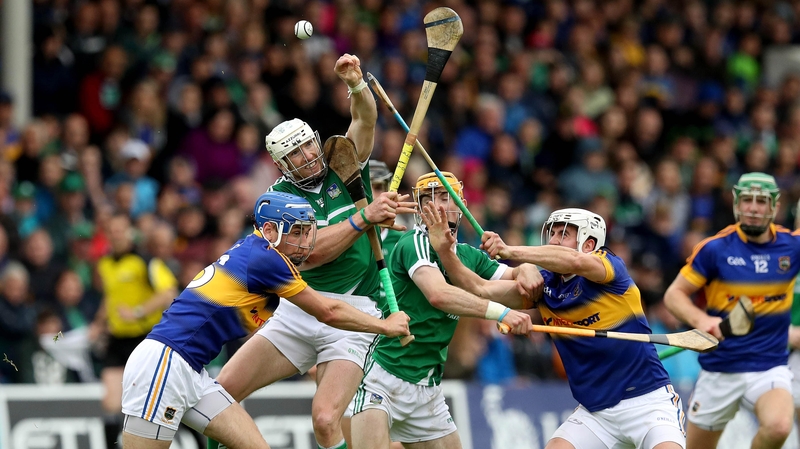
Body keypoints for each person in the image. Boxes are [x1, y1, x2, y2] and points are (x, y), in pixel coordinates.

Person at [213, 53, 417, 449]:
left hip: (356, 310)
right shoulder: (276, 202)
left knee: (326, 420)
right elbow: (312, 253)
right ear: (280, 164)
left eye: (308, 147)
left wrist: (356, 84)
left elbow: (364, 121)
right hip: (300, 307)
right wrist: (365, 218)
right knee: (219, 395)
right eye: (296, 155)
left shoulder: (341, 165)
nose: (308, 158)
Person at [120, 192, 410, 449]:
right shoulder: (268, 259)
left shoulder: (258, 251)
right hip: (164, 364)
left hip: (193, 372)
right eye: (296, 232)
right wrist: (385, 325)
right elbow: (328, 311)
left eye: (307, 232)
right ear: (269, 230)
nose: (305, 242)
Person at [350, 171, 539, 449]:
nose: (435, 205)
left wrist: (527, 267)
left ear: (460, 203)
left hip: (427, 387)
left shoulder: (469, 256)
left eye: (443, 196)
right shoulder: (414, 242)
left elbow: (517, 283)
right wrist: (500, 312)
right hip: (383, 378)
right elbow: (438, 294)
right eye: (427, 198)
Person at [477, 208, 685, 449]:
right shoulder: (544, 287)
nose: (553, 240)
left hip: (649, 404)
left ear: (589, 244)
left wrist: (512, 251)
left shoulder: (609, 267)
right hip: (596, 414)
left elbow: (575, 261)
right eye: (552, 233)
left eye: (563, 234)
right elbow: (482, 290)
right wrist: (447, 255)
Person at [664, 172, 800, 449]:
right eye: (746, 200)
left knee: (779, 427)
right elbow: (673, 295)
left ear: (775, 206)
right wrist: (700, 318)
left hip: (769, 365)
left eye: (761, 202)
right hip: (720, 369)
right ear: (736, 204)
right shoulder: (714, 249)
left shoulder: (792, 247)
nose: (752, 208)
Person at [94, 213, 179, 449]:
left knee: (157, 402)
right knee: (110, 402)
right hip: (117, 339)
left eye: (120, 230)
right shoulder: (106, 263)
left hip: (144, 340)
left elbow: (168, 291)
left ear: (130, 232)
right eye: (112, 231)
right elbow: (111, 298)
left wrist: (138, 312)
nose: (116, 235)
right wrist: (98, 323)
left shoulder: (145, 261)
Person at [368, 159, 405, 258]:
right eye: (366, 189)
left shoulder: (401, 243)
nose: (374, 197)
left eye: (378, 188)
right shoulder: (348, 241)